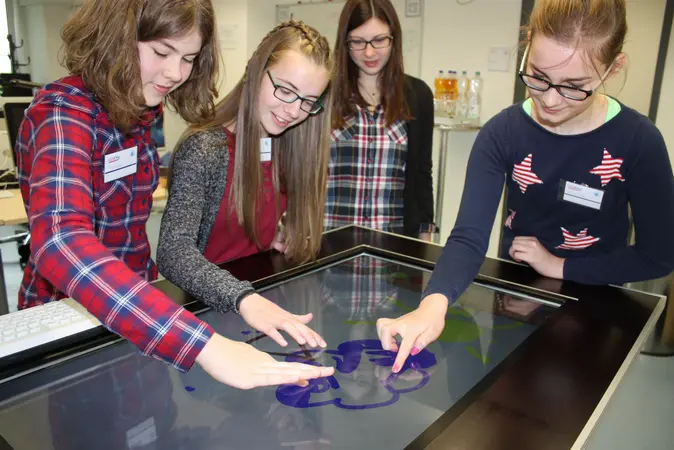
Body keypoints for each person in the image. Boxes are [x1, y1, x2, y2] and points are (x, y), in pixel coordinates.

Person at [15, 0, 332, 389]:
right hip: (67, 326)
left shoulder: (139, 111)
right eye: (161, 52)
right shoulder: (63, 113)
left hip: (144, 312)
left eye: (188, 58)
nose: (174, 73)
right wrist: (205, 346)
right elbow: (62, 241)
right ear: (116, 35)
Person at [377, 0, 674, 371]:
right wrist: (432, 305)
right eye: (538, 75)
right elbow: (469, 238)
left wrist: (558, 266)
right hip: (515, 301)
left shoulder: (639, 141)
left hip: (596, 308)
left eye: (574, 87)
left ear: (612, 69)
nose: (549, 100)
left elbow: (658, 255)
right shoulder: (503, 132)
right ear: (527, 44)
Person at [157, 21, 332, 351]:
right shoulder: (206, 148)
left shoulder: (285, 142)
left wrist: (271, 230)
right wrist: (243, 299)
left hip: (262, 314)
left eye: (309, 101)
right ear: (256, 69)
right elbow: (173, 252)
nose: (293, 110)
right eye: (285, 89)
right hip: (211, 321)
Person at [325, 0, 435, 241]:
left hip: (392, 247)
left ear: (393, 38)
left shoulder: (418, 95)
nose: (369, 52)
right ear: (344, 43)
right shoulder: (324, 92)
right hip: (330, 245)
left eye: (379, 40)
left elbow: (421, 173)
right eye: (357, 42)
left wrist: (425, 237)